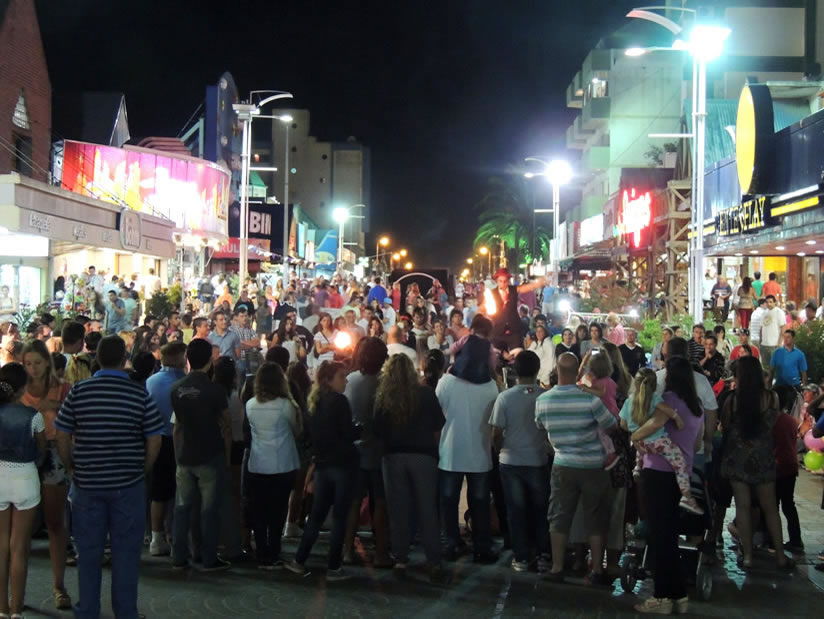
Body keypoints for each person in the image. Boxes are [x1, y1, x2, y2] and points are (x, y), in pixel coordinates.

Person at [55, 335, 163, 618]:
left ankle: (88, 610)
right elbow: (155, 438)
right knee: (126, 554)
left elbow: (62, 433)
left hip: (87, 484)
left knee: (88, 553)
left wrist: (71, 465)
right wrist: (143, 468)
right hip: (128, 485)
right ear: (124, 359)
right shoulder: (138, 393)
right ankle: (125, 612)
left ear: (98, 359)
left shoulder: (79, 391)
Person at [631, 356, 705, 614]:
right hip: (681, 474)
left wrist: (635, 436)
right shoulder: (697, 406)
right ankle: (678, 594)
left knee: (660, 536)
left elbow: (653, 425)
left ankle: (662, 596)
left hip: (658, 472)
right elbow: (697, 443)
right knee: (669, 534)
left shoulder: (668, 401)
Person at [537, 352, 616, 584]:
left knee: (559, 516)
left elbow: (539, 426)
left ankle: (557, 568)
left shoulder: (543, 400)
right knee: (595, 517)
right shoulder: (590, 399)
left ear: (557, 371)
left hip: (562, 464)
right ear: (578, 373)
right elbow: (611, 425)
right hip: (593, 466)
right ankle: (597, 571)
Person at [373, 353, 447, 582]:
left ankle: (401, 559)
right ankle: (434, 561)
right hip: (423, 457)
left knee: (398, 511)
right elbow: (438, 426)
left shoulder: (384, 397)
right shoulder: (425, 394)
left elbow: (377, 430)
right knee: (427, 510)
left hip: (393, 457)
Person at [719, 356, 794, 572]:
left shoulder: (733, 400)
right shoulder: (772, 398)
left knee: (742, 506)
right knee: (770, 508)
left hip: (737, 458)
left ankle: (748, 557)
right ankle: (780, 556)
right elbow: (773, 424)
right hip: (763, 457)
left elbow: (724, 426)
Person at [286, 361, 358, 581]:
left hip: (322, 465)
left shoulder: (314, 402)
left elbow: (308, 435)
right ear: (329, 379)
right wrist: (359, 430)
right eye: (341, 376)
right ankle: (334, 567)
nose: (345, 381)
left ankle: (300, 560)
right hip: (342, 465)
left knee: (316, 515)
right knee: (339, 517)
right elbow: (347, 434)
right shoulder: (340, 402)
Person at [170, 338, 233, 572]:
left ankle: (179, 556)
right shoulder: (215, 390)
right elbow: (227, 425)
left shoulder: (176, 389)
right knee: (209, 510)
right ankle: (208, 557)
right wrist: (226, 458)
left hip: (185, 454)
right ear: (209, 360)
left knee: (182, 508)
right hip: (209, 454)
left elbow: (177, 428)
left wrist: (177, 454)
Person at [437, 338, 500, 563]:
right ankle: (482, 547)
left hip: (450, 451)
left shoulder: (446, 382)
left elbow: (438, 411)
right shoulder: (491, 386)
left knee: (449, 501)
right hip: (480, 453)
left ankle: (451, 543)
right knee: (480, 503)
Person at [20, 340, 72, 610]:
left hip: (54, 451)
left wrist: (52, 405)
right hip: (25, 453)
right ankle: (17, 589)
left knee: (55, 521)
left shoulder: (62, 387)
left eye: (37, 363)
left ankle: (58, 585)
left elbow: (74, 417)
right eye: (28, 363)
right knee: (21, 527)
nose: (33, 368)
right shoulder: (18, 388)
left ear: (46, 362)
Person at [489, 351, 550, 572]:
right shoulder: (545, 396)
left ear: (515, 370)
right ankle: (544, 554)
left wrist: (499, 450)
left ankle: (522, 557)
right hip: (538, 460)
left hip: (510, 460)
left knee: (516, 511)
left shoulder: (505, 397)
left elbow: (496, 432)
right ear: (537, 370)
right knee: (541, 510)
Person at [619, 368, 702, 514]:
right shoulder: (655, 398)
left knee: (640, 447)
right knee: (679, 462)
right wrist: (677, 418)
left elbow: (623, 424)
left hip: (641, 443)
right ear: (655, 385)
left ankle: (638, 466)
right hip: (657, 441)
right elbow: (667, 410)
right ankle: (687, 497)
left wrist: (635, 431)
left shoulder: (628, 401)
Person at [0, 362, 46, 619]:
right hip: (26, 478)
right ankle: (17, 608)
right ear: (22, 388)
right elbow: (41, 449)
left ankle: (1, 608)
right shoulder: (33, 415)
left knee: (1, 546)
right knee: (19, 547)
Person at [245, 362, 300, 570]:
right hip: (282, 464)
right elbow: (295, 429)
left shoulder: (250, 404)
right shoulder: (286, 406)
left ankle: (262, 553)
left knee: (259, 512)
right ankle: (274, 552)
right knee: (278, 512)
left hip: (258, 464)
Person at [342, 338, 391, 567]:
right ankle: (381, 553)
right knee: (380, 501)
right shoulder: (385, 383)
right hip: (380, 450)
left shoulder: (350, 380)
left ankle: (346, 550)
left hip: (354, 450)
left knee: (353, 501)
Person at [144, 342, 188, 558]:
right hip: (180, 441)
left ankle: (156, 537)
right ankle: (174, 535)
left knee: (158, 492)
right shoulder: (184, 383)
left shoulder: (151, 382)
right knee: (179, 491)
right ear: (179, 358)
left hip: (155, 440)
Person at [773, 386, 803, 554]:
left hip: (777, 466)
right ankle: (796, 540)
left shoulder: (772, 420)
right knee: (788, 504)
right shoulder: (791, 421)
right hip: (790, 465)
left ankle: (772, 540)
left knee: (773, 506)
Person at [488, 268, 546, 354]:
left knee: (518, 355)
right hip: (498, 331)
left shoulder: (514, 290)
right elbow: (484, 309)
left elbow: (527, 287)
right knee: (496, 356)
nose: (503, 283)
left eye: (505, 281)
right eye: (500, 281)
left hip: (514, 330)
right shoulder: (492, 293)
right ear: (497, 281)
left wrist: (539, 283)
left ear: (508, 281)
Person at [760, 295, 787, 367]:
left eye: (771, 302)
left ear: (775, 302)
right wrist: (761, 341)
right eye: (767, 302)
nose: (769, 304)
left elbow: (783, 328)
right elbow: (762, 328)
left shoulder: (779, 312)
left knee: (775, 367)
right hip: (764, 345)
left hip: (774, 345)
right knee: (765, 367)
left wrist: (779, 344)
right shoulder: (764, 313)